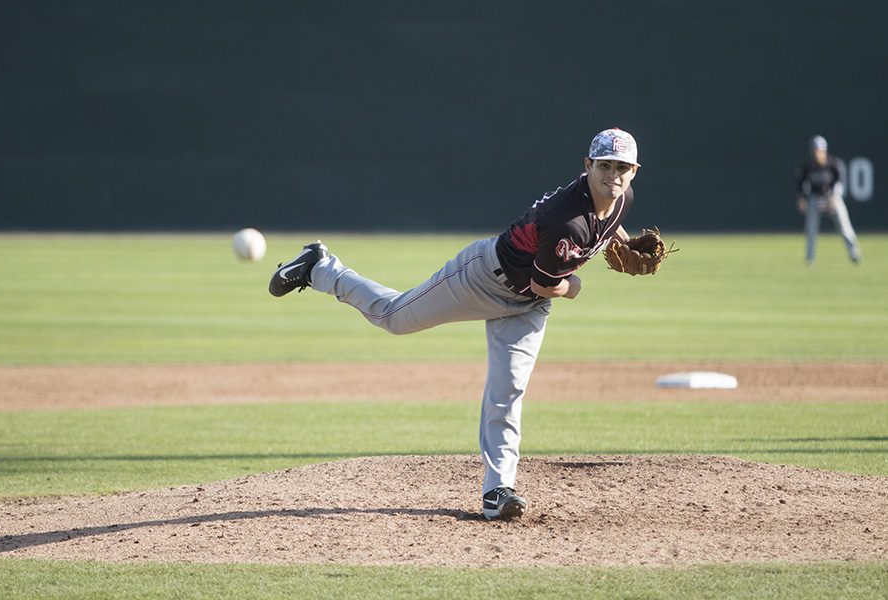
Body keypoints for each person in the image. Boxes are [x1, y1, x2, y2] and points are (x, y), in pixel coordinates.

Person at [269, 128, 642, 520]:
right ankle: (321, 269)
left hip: (527, 306)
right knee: (394, 317)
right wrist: (575, 287)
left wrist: (623, 242)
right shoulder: (566, 221)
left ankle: (498, 490)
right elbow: (546, 284)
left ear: (634, 171)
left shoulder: (621, 199)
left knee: (508, 390)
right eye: (604, 166)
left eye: (622, 167)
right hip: (483, 277)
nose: (612, 176)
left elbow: (607, 223)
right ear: (587, 166)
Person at [795, 135, 862, 265]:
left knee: (845, 228)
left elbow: (839, 182)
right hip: (815, 198)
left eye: (819, 150)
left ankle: (854, 254)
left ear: (824, 150)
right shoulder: (808, 166)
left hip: (832, 197)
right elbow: (800, 184)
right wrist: (801, 198)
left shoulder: (833, 164)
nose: (817, 153)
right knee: (811, 229)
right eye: (814, 150)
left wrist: (834, 196)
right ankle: (810, 258)